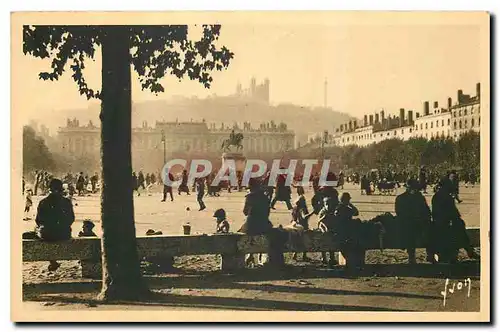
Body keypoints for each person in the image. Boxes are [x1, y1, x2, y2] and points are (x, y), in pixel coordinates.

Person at [431, 177, 479, 263]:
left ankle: (466, 251)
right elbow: (452, 212)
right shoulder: (444, 197)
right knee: (459, 228)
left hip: (442, 222)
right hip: (444, 223)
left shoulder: (438, 196)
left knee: (458, 227)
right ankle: (468, 250)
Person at [35, 179, 75, 271]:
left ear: (50, 189)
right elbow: (71, 219)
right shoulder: (66, 202)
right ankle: (53, 261)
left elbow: (38, 220)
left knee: (37, 231)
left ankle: (52, 261)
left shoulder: (43, 202)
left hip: (48, 234)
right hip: (64, 234)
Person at [395, 179, 432, 264]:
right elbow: (400, 213)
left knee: (431, 228)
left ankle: (430, 254)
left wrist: (425, 219)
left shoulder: (419, 198)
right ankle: (412, 255)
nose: (414, 190)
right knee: (410, 230)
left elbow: (427, 211)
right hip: (407, 224)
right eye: (412, 188)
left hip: (419, 223)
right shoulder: (401, 198)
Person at [239, 179, 273, 265]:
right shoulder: (265, 197)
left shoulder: (249, 197)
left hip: (252, 224)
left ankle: (250, 255)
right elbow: (267, 212)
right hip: (264, 224)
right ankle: (256, 256)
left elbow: (245, 212)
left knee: (244, 231)